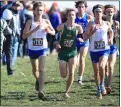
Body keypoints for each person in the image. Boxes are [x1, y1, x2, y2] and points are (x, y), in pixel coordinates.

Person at [22, 2, 55, 99]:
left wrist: (49, 31)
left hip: (43, 49)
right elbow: (24, 36)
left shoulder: (46, 21)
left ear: (44, 11)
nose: (40, 12)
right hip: (32, 49)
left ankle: (41, 91)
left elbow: (53, 32)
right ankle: (37, 80)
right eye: (38, 10)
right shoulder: (29, 22)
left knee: (42, 69)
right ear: (34, 11)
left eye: (41, 10)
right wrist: (35, 29)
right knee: (35, 69)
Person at [83, 4, 113, 99]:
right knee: (96, 72)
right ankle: (99, 88)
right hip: (94, 51)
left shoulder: (106, 23)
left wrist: (111, 39)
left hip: (105, 50)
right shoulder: (91, 24)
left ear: (102, 13)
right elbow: (85, 38)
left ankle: (102, 85)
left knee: (101, 67)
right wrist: (92, 32)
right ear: (94, 13)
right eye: (97, 12)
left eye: (100, 11)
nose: (99, 13)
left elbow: (111, 31)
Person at [55, 8, 83, 98]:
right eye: (69, 15)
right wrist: (57, 43)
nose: (71, 16)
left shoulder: (78, 27)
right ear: (67, 16)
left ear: (75, 16)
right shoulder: (61, 26)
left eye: (73, 15)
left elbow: (82, 37)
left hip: (73, 52)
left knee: (71, 73)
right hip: (63, 52)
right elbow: (54, 38)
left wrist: (80, 39)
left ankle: (66, 92)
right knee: (63, 75)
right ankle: (65, 66)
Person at [75, 1, 93, 85]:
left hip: (85, 40)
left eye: (82, 7)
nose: (81, 8)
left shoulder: (89, 17)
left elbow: (93, 28)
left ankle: (80, 79)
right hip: (75, 40)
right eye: (79, 7)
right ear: (77, 7)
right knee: (75, 62)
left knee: (82, 58)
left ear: (85, 8)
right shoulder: (73, 16)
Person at [104, 4, 120, 94]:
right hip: (104, 47)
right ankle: (106, 80)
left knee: (111, 66)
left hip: (113, 47)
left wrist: (117, 34)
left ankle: (109, 86)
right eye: (108, 12)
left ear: (114, 13)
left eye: (111, 12)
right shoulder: (102, 22)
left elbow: (119, 34)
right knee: (105, 67)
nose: (110, 13)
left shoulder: (116, 23)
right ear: (105, 12)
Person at [2, 9, 15, 75]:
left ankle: (9, 70)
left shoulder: (12, 19)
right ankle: (9, 70)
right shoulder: (2, 20)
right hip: (2, 37)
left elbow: (13, 30)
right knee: (7, 54)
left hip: (9, 37)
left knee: (8, 54)